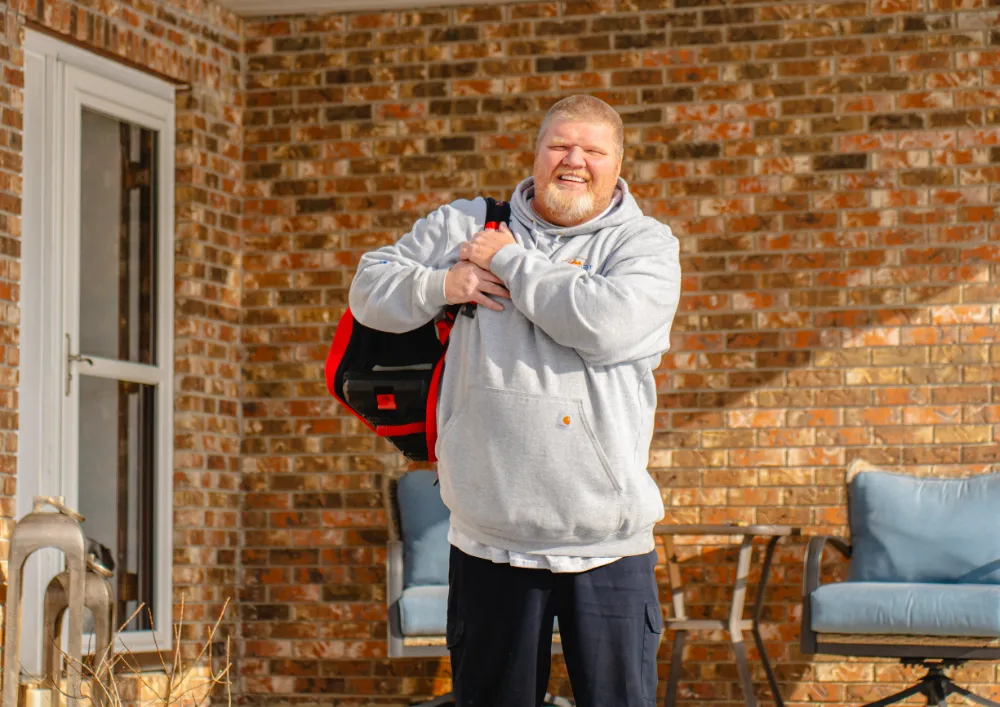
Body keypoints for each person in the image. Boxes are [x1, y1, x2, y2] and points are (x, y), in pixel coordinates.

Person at [349, 95, 682, 707]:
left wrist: (507, 260)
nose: (573, 160)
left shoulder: (645, 245)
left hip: (604, 544)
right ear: (536, 152)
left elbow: (603, 324)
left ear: (618, 163)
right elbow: (368, 289)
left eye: (593, 150)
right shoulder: (466, 223)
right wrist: (442, 284)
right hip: (488, 539)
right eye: (559, 144)